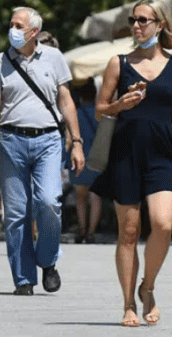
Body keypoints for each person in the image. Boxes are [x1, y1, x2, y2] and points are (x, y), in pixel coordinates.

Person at [89, 0, 172, 327]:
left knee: (163, 224)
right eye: (134, 20)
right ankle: (128, 304)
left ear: (160, 25)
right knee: (128, 233)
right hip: (126, 153)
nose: (136, 25)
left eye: (144, 20)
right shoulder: (118, 63)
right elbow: (100, 109)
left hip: (164, 154)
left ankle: (147, 285)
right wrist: (120, 104)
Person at [0, 6, 85, 296]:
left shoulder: (54, 58)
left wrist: (76, 142)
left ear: (34, 32)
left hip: (49, 141)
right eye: (11, 23)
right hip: (10, 141)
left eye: (18, 25)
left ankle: (48, 260)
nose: (12, 29)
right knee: (16, 212)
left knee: (49, 201)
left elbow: (65, 100)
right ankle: (24, 278)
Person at [72, 81, 102, 244]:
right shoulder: (99, 113)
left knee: (80, 196)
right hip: (97, 157)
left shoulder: (75, 113)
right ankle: (91, 232)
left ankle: (82, 229)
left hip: (78, 156)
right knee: (95, 195)